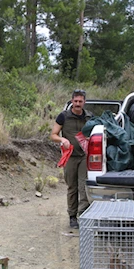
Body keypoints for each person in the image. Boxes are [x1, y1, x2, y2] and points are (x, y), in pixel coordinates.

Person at [51, 89, 93, 229]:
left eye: (80, 101)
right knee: (72, 187)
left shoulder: (89, 117)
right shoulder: (63, 116)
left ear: (84, 102)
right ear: (71, 101)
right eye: (75, 101)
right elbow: (53, 135)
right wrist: (62, 139)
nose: (77, 104)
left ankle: (83, 215)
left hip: (84, 156)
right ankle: (72, 216)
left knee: (84, 187)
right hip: (70, 157)